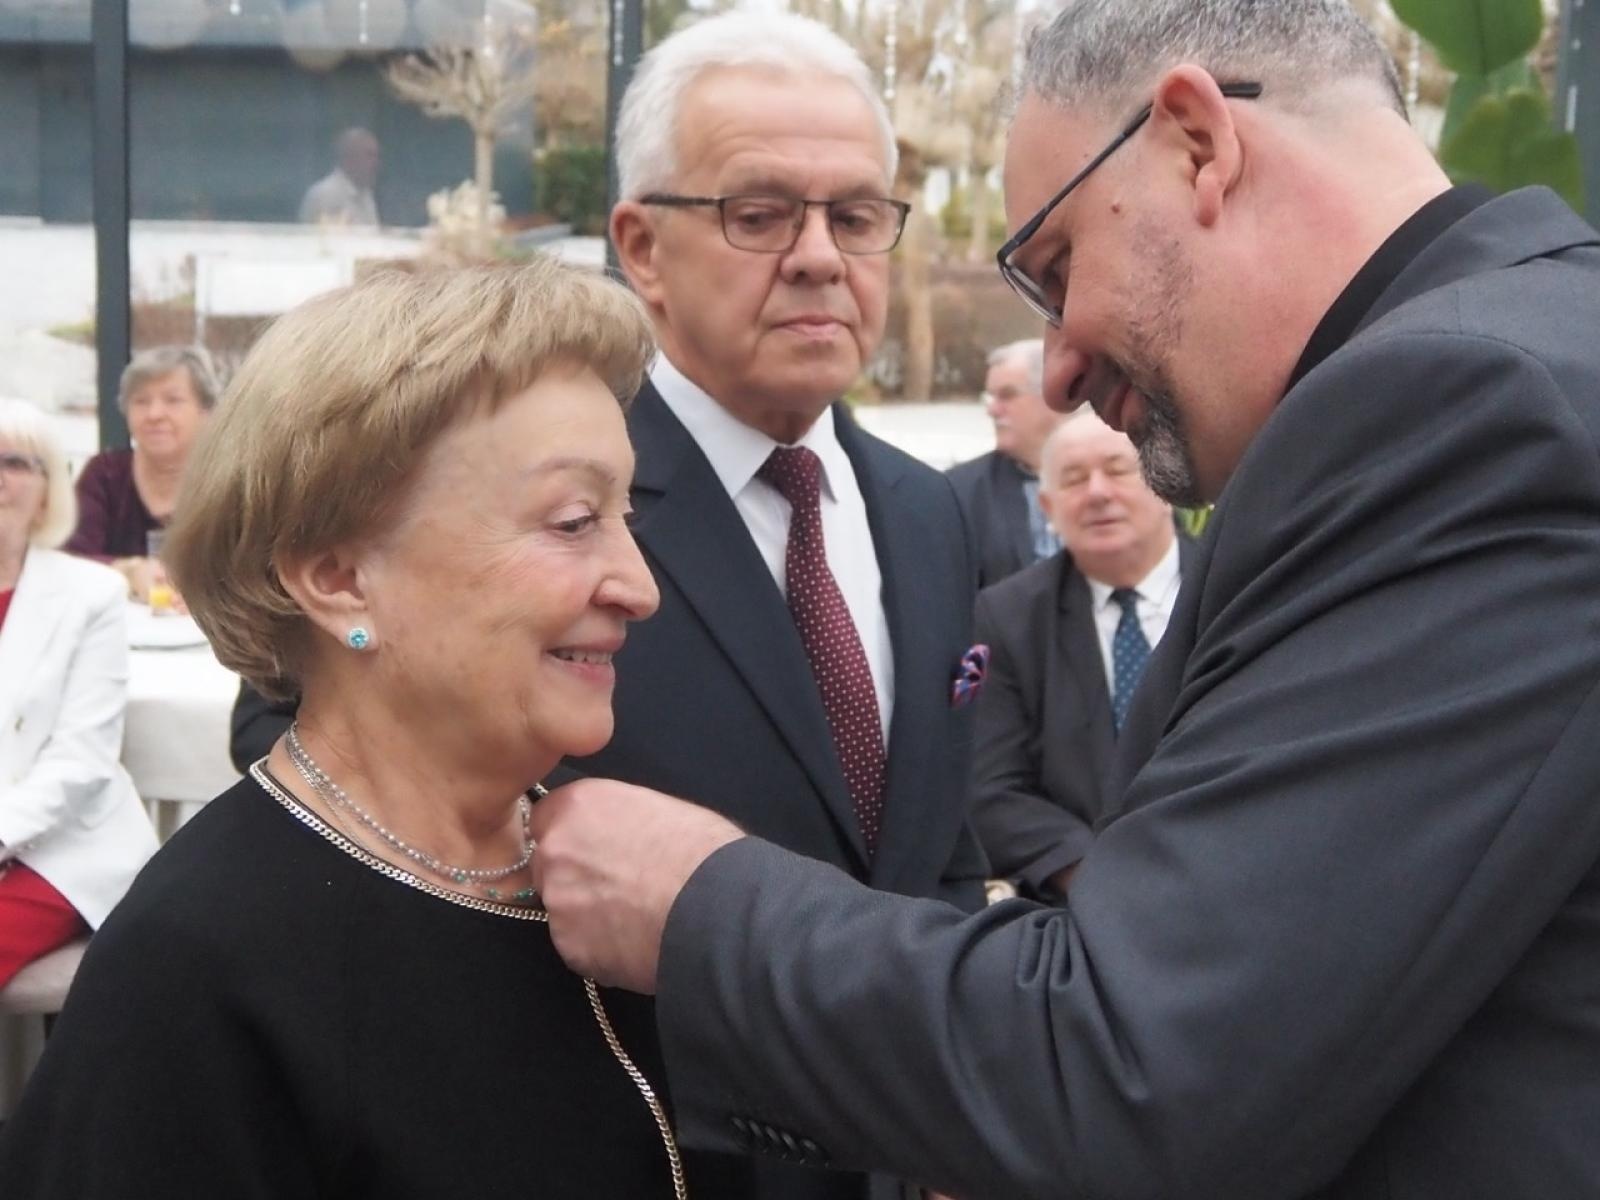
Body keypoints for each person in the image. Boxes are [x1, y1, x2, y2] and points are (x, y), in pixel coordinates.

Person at [527, 1, 1600, 1197]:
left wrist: (694, 901)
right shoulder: (1532, 353)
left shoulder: (1458, 412)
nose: (1056, 368)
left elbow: (1131, 1060)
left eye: (1056, 268)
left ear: (1197, 140)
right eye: (758, 213)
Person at [0, 262, 735, 1199]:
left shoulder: (612, 869)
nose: (640, 585)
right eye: (573, 520)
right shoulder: (191, 970)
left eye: (626, 518)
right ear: (340, 578)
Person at [579, 13, 986, 1199]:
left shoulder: (926, 513)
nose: (819, 256)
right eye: (759, 214)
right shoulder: (548, 496)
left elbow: (932, 840)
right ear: (642, 247)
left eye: (856, 216)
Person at [969, 411, 1189, 900]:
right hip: (1082, 904)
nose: (1097, 493)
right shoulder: (1005, 618)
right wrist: (1100, 878)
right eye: (1073, 479)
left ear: (1165, 484)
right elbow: (991, 786)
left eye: (1117, 469)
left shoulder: (1237, 592)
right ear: (1048, 506)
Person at [0, 399, 157, 990]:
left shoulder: (91, 594)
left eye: (15, 462)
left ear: (47, 491)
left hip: (57, 846)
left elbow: (81, 759)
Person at [64, 344, 219, 602]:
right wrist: (129, 571)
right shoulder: (104, 474)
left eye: (173, 400)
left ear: (206, 412)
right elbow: (69, 561)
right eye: (141, 401)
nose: (154, 414)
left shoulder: (226, 482)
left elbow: (251, 569)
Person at [945, 339, 1063, 586]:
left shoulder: (1119, 474)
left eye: (1007, 395)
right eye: (990, 397)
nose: (993, 410)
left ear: (1053, 396)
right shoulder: (960, 491)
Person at [298, 126, 381, 227]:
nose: (376, 163)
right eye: (369, 155)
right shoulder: (325, 195)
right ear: (349, 157)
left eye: (376, 156)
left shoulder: (366, 196)